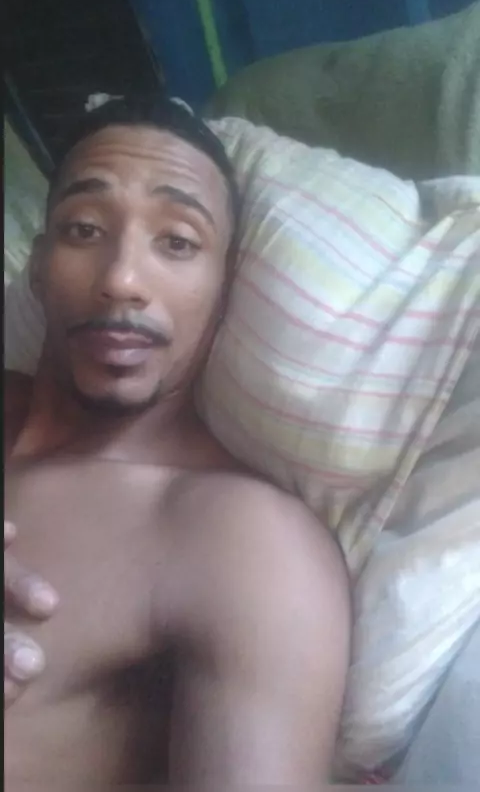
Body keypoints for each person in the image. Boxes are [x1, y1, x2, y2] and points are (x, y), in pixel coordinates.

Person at [4, 96, 350, 789]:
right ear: (39, 266)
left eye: (178, 242)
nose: (121, 280)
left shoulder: (242, 538)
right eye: (84, 229)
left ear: (224, 289)